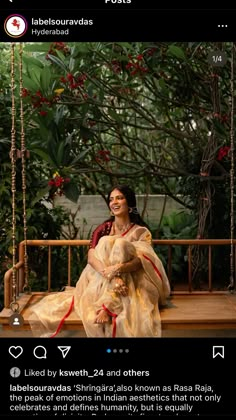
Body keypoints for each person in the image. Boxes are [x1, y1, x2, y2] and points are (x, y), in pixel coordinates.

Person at [29, 184, 170, 337]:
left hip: (132, 279)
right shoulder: (103, 228)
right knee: (105, 243)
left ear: (129, 203)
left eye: (119, 198)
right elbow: (91, 258)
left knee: (121, 245)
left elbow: (141, 262)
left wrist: (118, 269)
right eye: (111, 199)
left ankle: (107, 306)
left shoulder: (140, 231)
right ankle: (108, 306)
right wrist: (113, 276)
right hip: (102, 277)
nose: (114, 202)